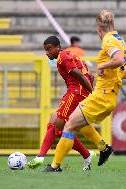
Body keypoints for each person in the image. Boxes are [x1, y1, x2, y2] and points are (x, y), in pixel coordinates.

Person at [43, 10, 126, 172]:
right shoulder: (120, 41)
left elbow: (118, 60)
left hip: (100, 97)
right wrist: (115, 78)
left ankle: (55, 166)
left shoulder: (108, 40)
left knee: (69, 126)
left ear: (98, 27)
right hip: (110, 97)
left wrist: (102, 66)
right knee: (78, 122)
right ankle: (103, 148)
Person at [28, 36, 95, 171]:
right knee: (56, 127)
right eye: (45, 50)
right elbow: (90, 75)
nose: (47, 52)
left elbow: (80, 75)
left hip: (76, 93)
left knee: (56, 126)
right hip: (75, 92)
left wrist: (93, 94)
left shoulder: (63, 57)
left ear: (57, 47)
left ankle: (43, 159)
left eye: (49, 49)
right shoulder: (68, 55)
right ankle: (87, 155)